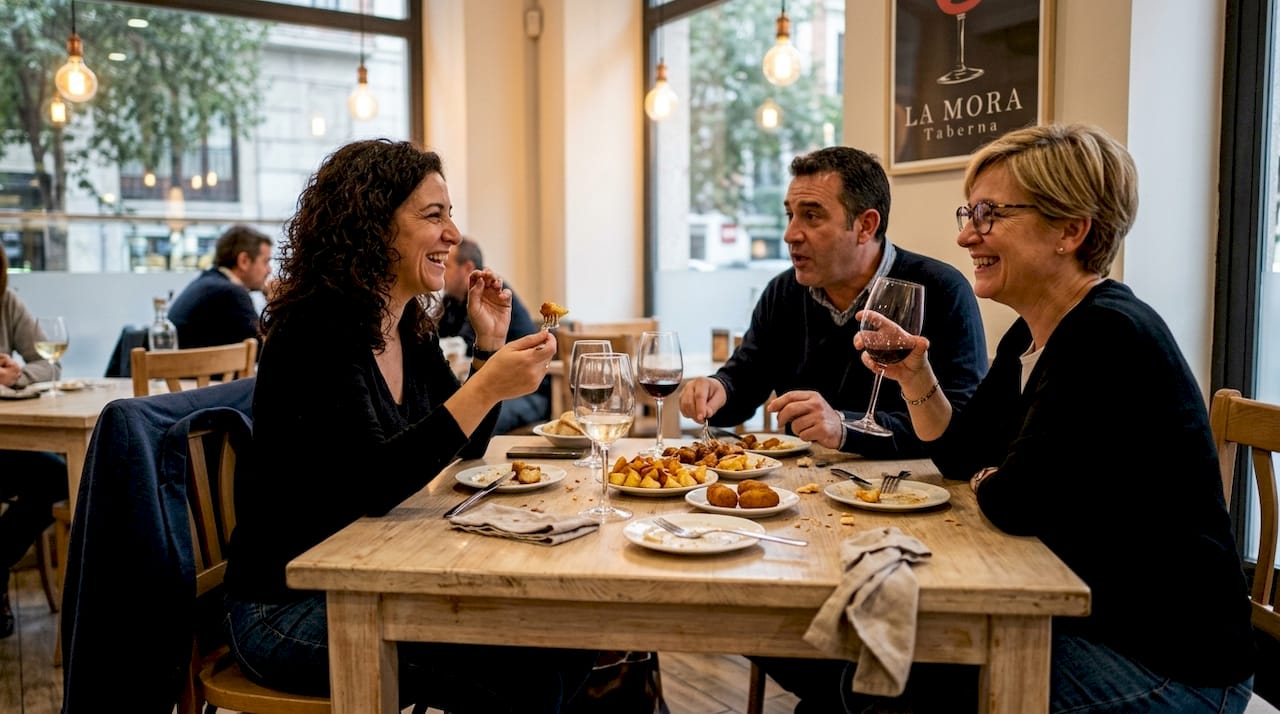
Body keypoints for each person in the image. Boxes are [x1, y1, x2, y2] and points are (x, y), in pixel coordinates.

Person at [849, 123, 1253, 712]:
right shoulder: (1033, 330)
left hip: (1172, 667)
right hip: (1099, 624)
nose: (966, 236)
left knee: (903, 679)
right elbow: (963, 456)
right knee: (883, 666)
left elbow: (1014, 502)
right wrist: (916, 376)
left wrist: (997, 480)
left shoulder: (1108, 333)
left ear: (1071, 229)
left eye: (989, 215)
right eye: (969, 213)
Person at [220, 138, 595, 711]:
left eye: (450, 214)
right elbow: (373, 484)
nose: (452, 233)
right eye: (433, 215)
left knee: (565, 643)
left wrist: (486, 350)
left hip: (370, 575)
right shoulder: (314, 330)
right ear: (372, 227)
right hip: (287, 606)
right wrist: (488, 383)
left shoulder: (404, 328)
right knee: (528, 674)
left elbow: (465, 448)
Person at [679, 146, 988, 459]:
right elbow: (745, 383)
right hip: (803, 490)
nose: (790, 234)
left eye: (811, 216)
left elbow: (964, 429)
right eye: (790, 215)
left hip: (911, 492)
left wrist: (844, 428)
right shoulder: (783, 292)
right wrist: (718, 390)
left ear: (865, 226)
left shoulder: (941, 290)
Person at [0, 250, 66, 638]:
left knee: (57, 476)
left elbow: (51, 363)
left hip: (6, 443)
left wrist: (18, 372)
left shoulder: (6, 300)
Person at [439, 237, 551, 433]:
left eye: (446, 265)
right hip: (488, 388)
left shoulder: (494, 295)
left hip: (526, 392)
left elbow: (464, 343)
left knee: (475, 423)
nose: (441, 270)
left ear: (467, 268)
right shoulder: (451, 302)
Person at [168, 224, 273, 348]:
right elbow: (266, 351)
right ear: (244, 261)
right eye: (265, 261)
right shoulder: (230, 293)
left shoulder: (208, 284)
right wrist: (276, 305)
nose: (269, 270)